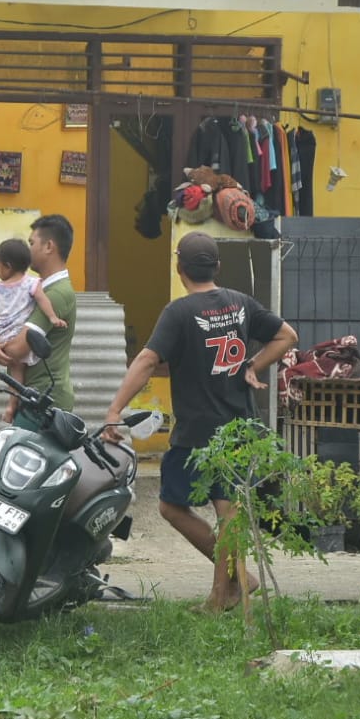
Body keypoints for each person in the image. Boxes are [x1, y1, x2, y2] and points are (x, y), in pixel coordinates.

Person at [101, 232, 297, 612]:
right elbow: (287, 336)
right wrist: (253, 365)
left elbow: (145, 362)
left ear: (179, 269)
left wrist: (114, 411)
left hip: (198, 432)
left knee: (176, 508)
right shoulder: (239, 303)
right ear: (217, 267)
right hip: (238, 427)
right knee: (224, 513)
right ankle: (236, 580)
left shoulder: (179, 312)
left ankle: (223, 594)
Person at [0, 214, 77, 428]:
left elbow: (17, 348)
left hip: (46, 401)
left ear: (49, 247)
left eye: (31, 243)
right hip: (33, 397)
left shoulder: (56, 294)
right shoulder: (36, 290)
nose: (27, 250)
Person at [0, 237, 66, 362]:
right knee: (18, 366)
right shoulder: (31, 283)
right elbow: (42, 300)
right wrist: (52, 317)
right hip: (19, 334)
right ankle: (18, 382)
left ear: (8, 266)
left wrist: (1, 324)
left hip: (2, 333)